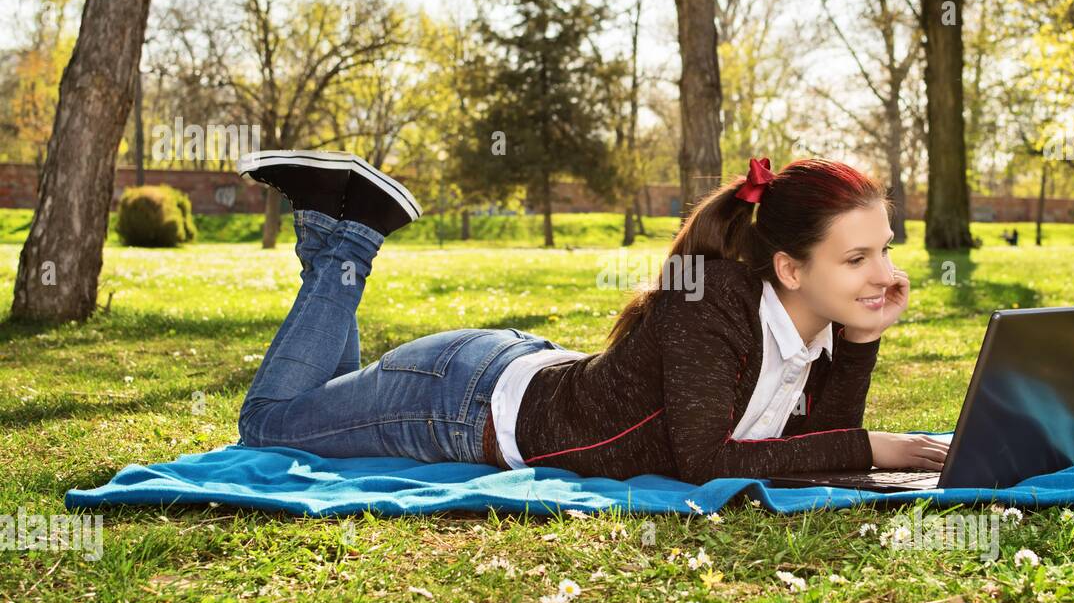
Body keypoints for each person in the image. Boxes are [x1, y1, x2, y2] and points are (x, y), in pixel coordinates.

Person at [235, 152, 949, 484]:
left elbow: (819, 447)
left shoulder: (812, 323)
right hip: (456, 403)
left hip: (498, 376)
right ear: (791, 268)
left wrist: (860, 342)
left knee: (310, 406)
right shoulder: (709, 306)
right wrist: (873, 448)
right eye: (857, 259)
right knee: (267, 425)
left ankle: (324, 224)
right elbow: (708, 462)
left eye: (883, 251)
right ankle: (355, 235)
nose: (884, 274)